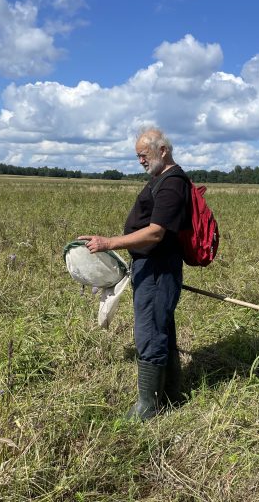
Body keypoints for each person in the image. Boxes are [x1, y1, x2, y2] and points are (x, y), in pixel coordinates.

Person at [79, 126, 190, 420]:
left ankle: (148, 408)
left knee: (150, 334)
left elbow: (155, 234)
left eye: (144, 154)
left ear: (163, 151)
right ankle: (172, 396)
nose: (140, 160)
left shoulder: (172, 184)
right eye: (138, 155)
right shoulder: (160, 179)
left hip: (158, 270)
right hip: (151, 267)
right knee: (161, 328)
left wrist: (109, 242)